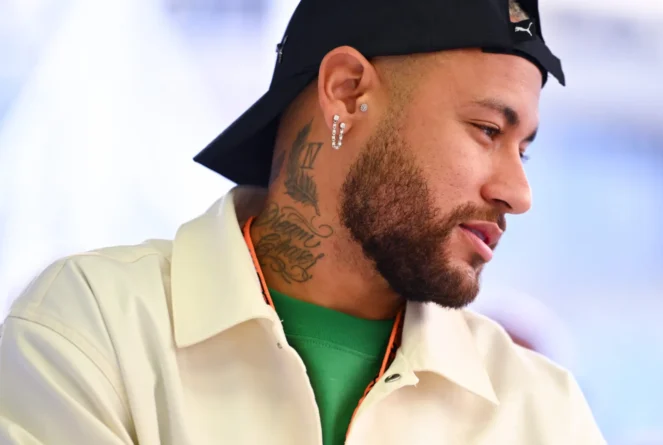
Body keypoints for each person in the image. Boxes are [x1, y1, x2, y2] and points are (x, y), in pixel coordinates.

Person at [0, 0, 606, 444]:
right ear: (346, 91)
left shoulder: (540, 411)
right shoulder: (93, 330)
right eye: (488, 130)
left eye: (524, 151)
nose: (518, 193)